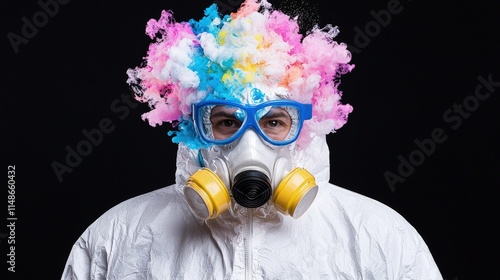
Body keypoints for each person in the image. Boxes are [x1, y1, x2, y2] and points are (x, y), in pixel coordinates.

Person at [61, 0, 443, 279]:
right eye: (227, 121)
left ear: (306, 128)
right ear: (195, 127)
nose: (250, 142)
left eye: (274, 121)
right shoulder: (117, 239)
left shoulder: (380, 238)